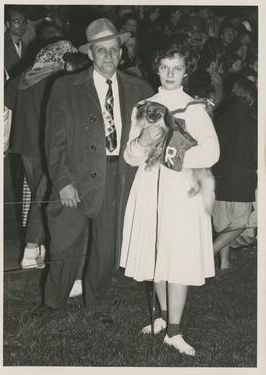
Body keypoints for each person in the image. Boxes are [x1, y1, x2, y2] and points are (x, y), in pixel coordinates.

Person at [40, 18, 153, 315]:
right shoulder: (66, 87)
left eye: (113, 50)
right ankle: (53, 302)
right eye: (100, 51)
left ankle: (99, 303)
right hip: (75, 176)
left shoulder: (139, 88)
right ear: (89, 54)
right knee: (64, 244)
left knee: (108, 246)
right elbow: (54, 141)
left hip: (118, 176)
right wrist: (63, 181)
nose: (108, 57)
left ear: (121, 52)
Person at [120, 41, 220, 356]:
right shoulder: (144, 105)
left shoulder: (195, 108)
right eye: (165, 67)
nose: (170, 74)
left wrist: (171, 154)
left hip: (182, 191)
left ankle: (175, 332)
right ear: (157, 68)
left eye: (177, 68)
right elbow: (130, 156)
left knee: (178, 256)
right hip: (150, 188)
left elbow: (212, 151)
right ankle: (163, 319)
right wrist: (140, 140)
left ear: (186, 71)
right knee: (156, 254)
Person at [9, 40, 78, 270]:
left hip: (22, 145)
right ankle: (33, 251)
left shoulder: (27, 75)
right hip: (45, 146)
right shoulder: (55, 79)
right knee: (45, 196)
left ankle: (35, 250)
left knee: (41, 195)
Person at [212, 78, 257, 271]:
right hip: (242, 182)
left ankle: (224, 263)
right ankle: (207, 254)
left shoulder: (219, 119)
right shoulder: (255, 122)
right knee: (239, 224)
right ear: (252, 98)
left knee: (223, 225)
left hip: (219, 180)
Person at [4, 5, 28, 79]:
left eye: (24, 21)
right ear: (8, 24)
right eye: (16, 22)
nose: (21, 25)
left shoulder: (25, 47)